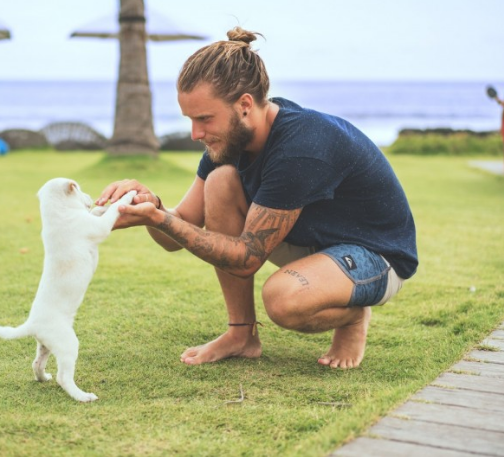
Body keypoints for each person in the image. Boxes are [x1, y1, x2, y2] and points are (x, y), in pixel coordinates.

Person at [96, 27, 418, 369]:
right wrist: (152, 205)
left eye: (204, 118)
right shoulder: (229, 142)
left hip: (376, 256)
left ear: (244, 105)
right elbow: (180, 230)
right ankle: (241, 335)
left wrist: (160, 219)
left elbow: (248, 257)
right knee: (219, 182)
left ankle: (352, 318)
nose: (195, 134)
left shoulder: (300, 146)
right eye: (190, 120)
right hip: (311, 243)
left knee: (282, 301)